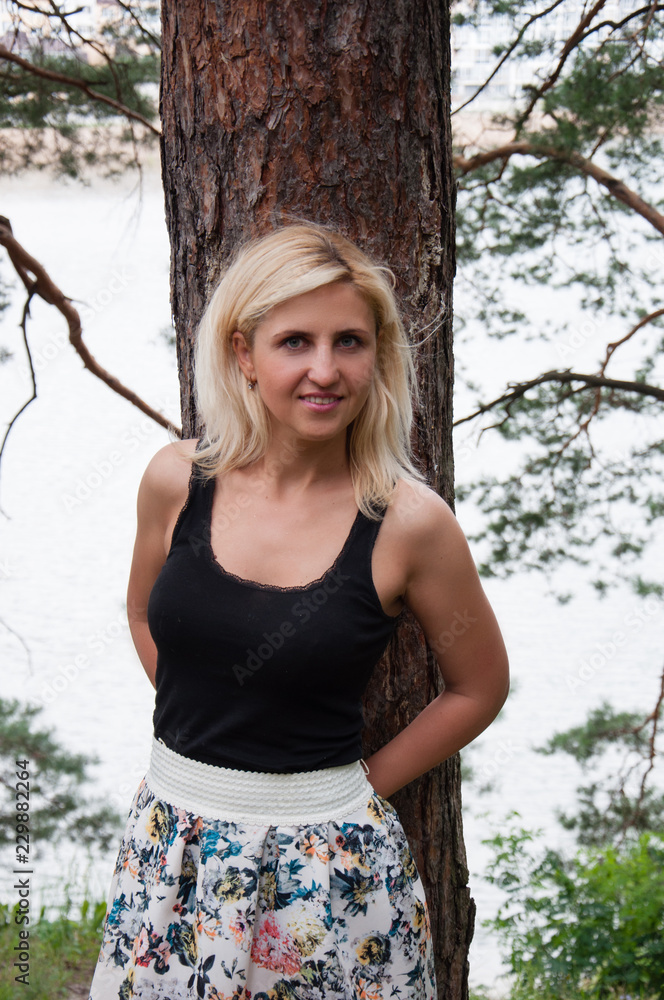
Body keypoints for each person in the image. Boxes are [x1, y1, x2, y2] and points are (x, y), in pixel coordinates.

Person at [89, 222, 509, 1000]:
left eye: (349, 341)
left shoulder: (408, 523)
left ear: (377, 355)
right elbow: (144, 612)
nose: (325, 370)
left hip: (331, 877)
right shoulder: (176, 481)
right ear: (244, 353)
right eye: (294, 343)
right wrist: (210, 733)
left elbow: (479, 686)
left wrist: (357, 790)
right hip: (171, 851)